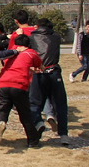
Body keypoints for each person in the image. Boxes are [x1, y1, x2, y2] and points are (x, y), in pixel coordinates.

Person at [0, 34, 43, 148]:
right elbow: (39, 65)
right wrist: (43, 70)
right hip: (19, 84)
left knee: (2, 110)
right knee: (25, 114)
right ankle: (33, 141)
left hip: (2, 83)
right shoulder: (31, 52)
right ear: (29, 44)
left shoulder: (11, 52)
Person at [29, 18, 70, 146]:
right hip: (54, 72)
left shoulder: (32, 37)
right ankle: (63, 135)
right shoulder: (56, 37)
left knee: (34, 103)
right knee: (60, 104)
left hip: (39, 72)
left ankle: (38, 123)